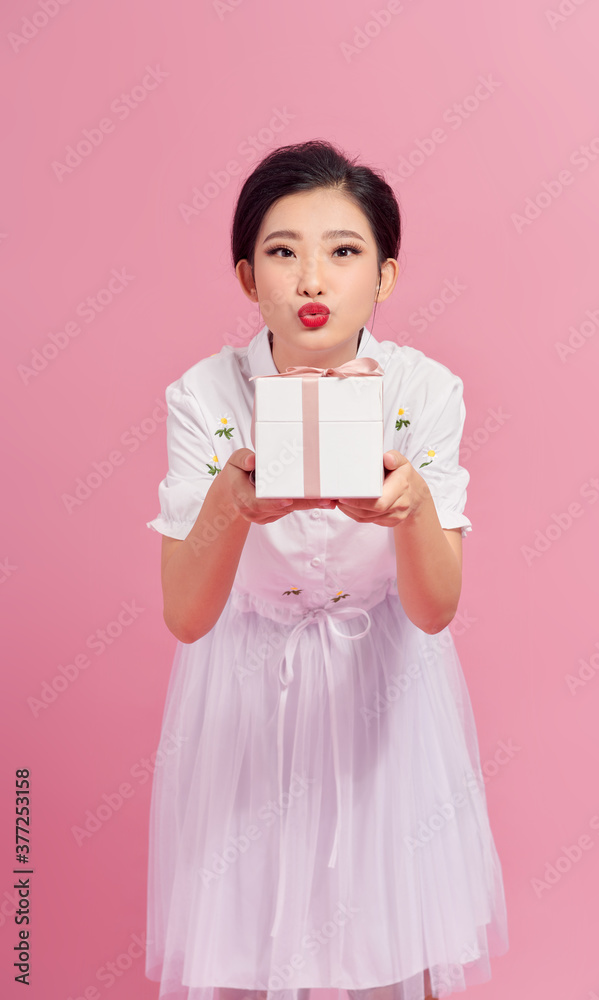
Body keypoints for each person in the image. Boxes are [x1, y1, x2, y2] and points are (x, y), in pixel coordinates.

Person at [144, 139, 508, 1000]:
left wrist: (413, 509)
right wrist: (232, 506)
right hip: (244, 690)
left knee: (380, 936)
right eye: (282, 252)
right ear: (245, 276)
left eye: (343, 252)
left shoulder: (424, 389)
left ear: (383, 276)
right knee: (244, 927)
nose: (312, 280)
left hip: (382, 694)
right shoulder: (204, 395)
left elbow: (434, 609)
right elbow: (186, 615)